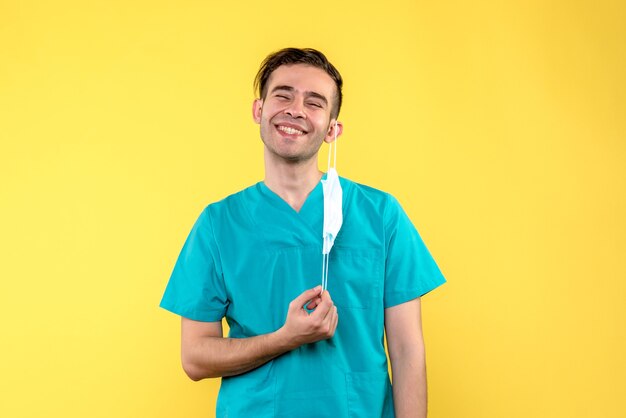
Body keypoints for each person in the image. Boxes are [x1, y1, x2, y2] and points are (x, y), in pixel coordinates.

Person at [160, 47, 446, 418]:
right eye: (283, 94)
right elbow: (195, 358)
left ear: (332, 129)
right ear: (258, 110)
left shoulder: (381, 216)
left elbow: (408, 351)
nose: (295, 109)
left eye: (314, 102)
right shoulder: (218, 225)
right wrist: (285, 337)